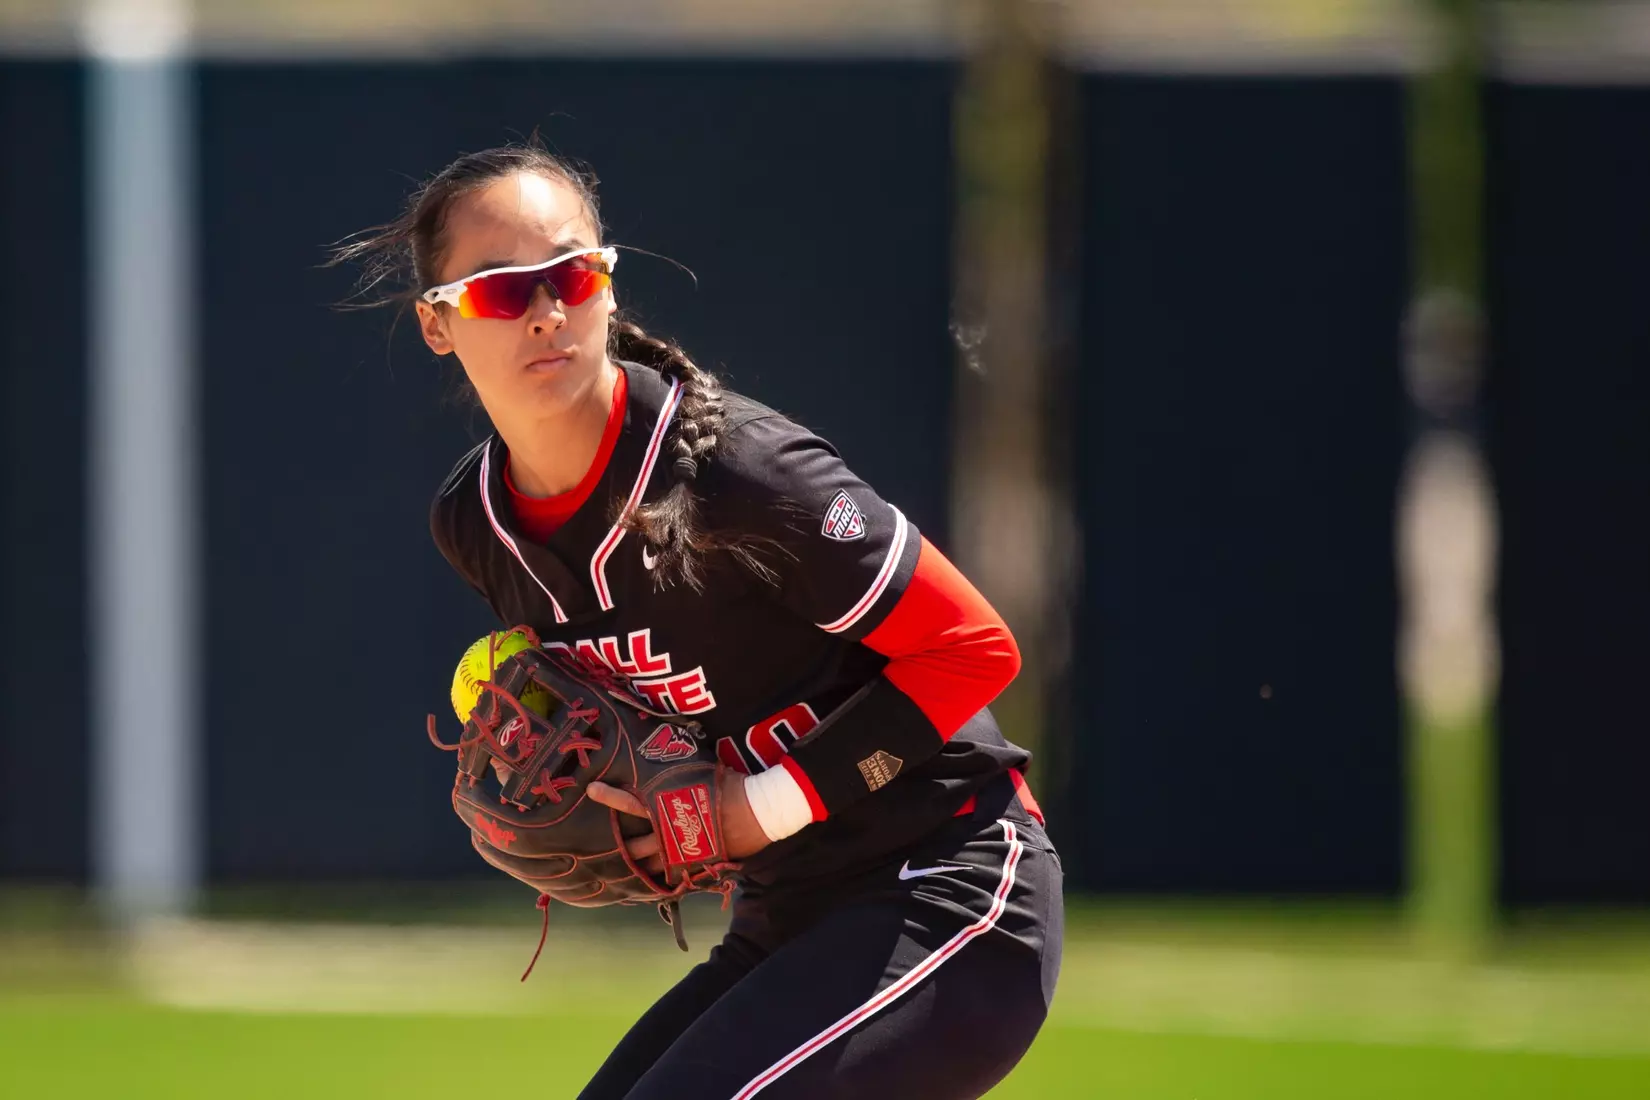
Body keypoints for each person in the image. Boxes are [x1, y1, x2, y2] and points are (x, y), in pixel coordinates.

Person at [335, 140, 1063, 1100]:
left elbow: (972, 646)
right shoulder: (476, 525)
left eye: (573, 273)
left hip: (952, 885)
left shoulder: (737, 471)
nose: (549, 309)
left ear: (608, 284)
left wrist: (753, 811)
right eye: (503, 290)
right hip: (789, 913)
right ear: (438, 323)